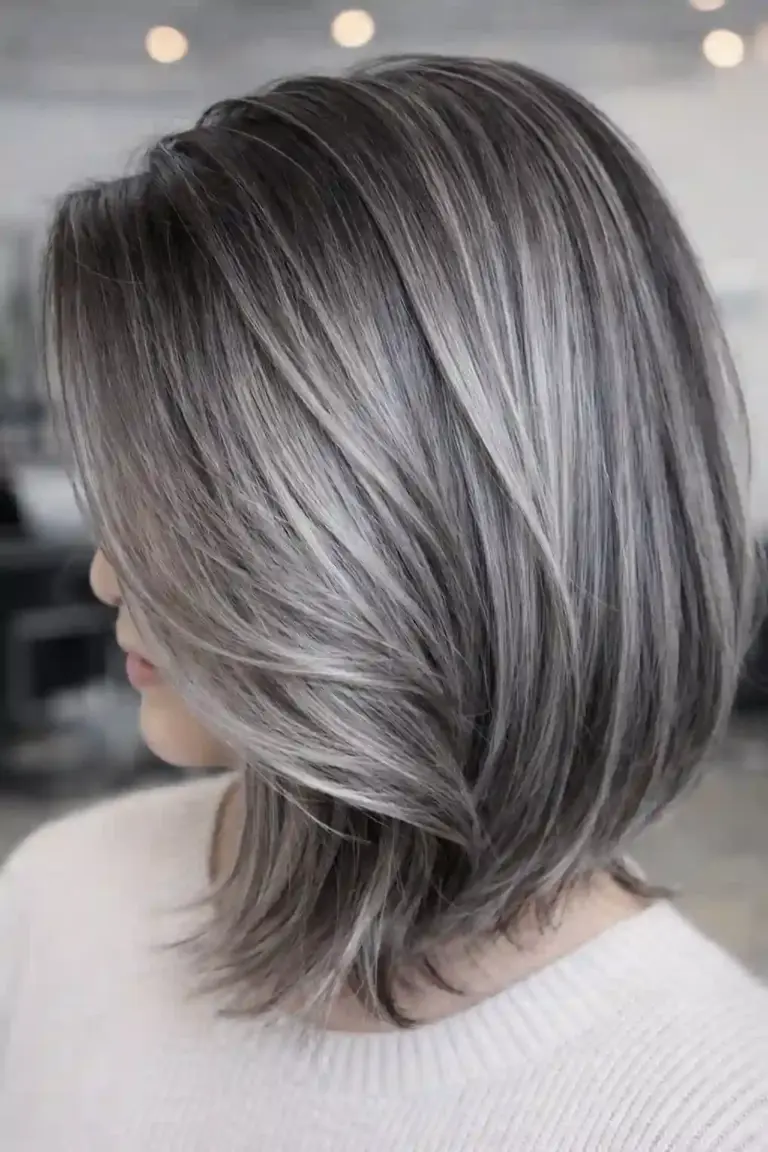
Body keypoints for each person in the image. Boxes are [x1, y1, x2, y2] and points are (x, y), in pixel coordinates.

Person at [1, 56, 767, 1151]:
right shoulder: (58, 900)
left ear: (413, 530)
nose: (108, 575)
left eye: (193, 498)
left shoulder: (714, 1113)